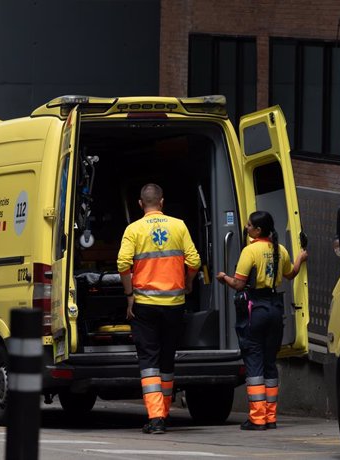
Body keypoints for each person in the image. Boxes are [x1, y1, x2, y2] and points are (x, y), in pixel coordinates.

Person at [117, 183, 201, 434]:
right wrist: (187, 284)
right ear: (162, 202)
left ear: (141, 204)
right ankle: (163, 413)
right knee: (167, 360)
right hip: (174, 305)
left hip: (145, 305)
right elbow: (194, 260)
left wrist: (129, 295)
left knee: (149, 360)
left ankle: (156, 419)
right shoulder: (179, 225)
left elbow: (123, 263)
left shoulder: (133, 229)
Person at [216, 210, 308, 431]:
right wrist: (300, 259)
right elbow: (291, 274)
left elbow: (238, 285)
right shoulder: (280, 250)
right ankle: (270, 417)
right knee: (269, 363)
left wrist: (223, 278)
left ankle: (257, 419)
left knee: (254, 361)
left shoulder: (250, 251)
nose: (246, 228)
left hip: (255, 309)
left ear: (257, 230)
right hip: (275, 309)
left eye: (249, 226)